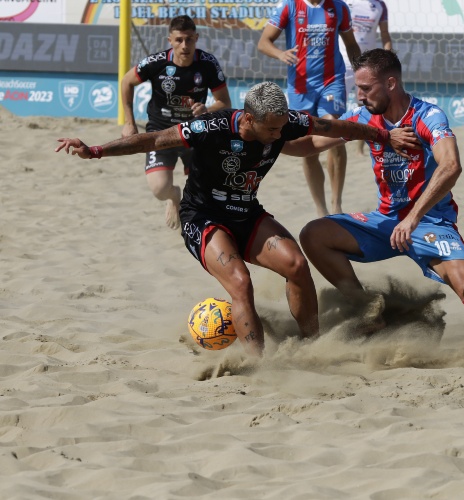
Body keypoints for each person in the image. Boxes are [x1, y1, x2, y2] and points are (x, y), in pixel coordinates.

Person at [55, 81, 419, 358]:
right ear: (248, 118)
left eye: (282, 128)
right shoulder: (211, 128)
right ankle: (258, 364)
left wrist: (384, 136)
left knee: (296, 264)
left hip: (246, 212)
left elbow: (335, 127)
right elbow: (153, 140)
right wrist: (96, 150)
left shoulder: (286, 122)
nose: (280, 136)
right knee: (241, 282)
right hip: (203, 216)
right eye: (272, 130)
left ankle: (313, 344)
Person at [292, 49, 464, 355]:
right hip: (385, 221)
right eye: (357, 89)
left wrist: (413, 217)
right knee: (313, 234)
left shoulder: (428, 115)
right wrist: (267, 135)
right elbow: (310, 145)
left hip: (428, 222)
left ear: (390, 83)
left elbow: (451, 166)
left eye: (365, 89)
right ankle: (366, 312)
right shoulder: (363, 117)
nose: (359, 97)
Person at [121, 15, 232, 230]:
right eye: (179, 40)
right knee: (159, 189)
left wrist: (207, 109)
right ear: (170, 40)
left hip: (194, 132)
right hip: (161, 132)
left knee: (205, 194)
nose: (185, 45)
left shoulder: (207, 64)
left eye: (189, 39)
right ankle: (174, 197)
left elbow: (225, 102)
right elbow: (127, 81)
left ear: (196, 38)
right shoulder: (156, 62)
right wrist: (129, 122)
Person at [258, 0, 360, 218]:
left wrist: (361, 74)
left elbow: (351, 44)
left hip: (331, 80)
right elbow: (264, 42)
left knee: (334, 129)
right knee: (307, 146)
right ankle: (321, 208)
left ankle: (337, 205)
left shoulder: (338, 7)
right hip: (300, 87)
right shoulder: (289, 6)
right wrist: (280, 54)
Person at [339, 0, 391, 156]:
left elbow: (385, 35)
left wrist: (387, 58)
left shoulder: (380, 5)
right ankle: (335, 145)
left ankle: (360, 148)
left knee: (366, 106)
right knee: (336, 106)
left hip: (368, 64)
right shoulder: (344, 3)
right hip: (344, 62)